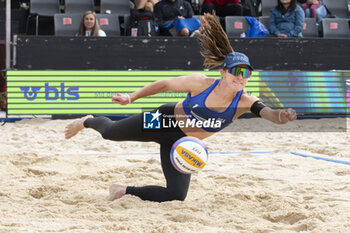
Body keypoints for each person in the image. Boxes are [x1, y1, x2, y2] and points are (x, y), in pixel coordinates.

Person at [65, 13, 297, 203]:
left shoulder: (245, 101)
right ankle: (86, 120)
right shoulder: (201, 83)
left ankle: (123, 190)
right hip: (163, 120)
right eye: (236, 71)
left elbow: (270, 114)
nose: (241, 76)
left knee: (176, 195)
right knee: (110, 133)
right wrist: (131, 97)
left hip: (182, 144)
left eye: (246, 73)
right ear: (223, 72)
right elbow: (165, 84)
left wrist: (283, 116)